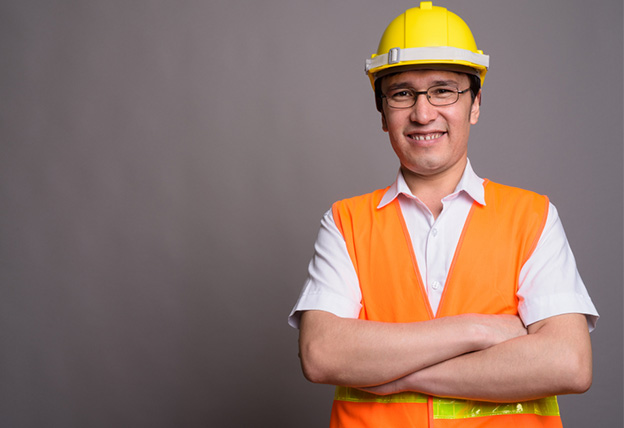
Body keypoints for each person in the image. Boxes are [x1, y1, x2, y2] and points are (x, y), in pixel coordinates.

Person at [288, 2, 599, 427]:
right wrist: (478, 330)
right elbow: (322, 354)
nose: (422, 113)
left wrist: (396, 375)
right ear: (382, 112)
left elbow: (568, 363)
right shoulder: (346, 223)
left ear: (475, 104)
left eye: (443, 90)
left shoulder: (532, 217)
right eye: (402, 93)